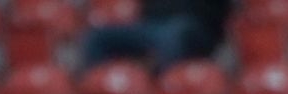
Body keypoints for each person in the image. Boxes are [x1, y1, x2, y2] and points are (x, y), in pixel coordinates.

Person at [81, 0, 229, 72]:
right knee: (98, 38)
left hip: (194, 26)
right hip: (152, 25)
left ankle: (162, 91)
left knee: (173, 35)